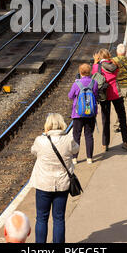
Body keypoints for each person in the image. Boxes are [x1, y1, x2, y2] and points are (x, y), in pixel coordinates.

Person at [29, 113, 79, 243]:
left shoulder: (40, 141)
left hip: (43, 184)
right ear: (62, 124)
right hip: (62, 184)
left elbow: (33, 151)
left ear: (47, 125)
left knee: (41, 218)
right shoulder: (69, 139)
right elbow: (76, 150)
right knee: (58, 218)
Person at [92, 48, 127, 152]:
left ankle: (105, 144)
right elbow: (116, 74)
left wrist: (95, 62)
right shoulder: (114, 65)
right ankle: (126, 142)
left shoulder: (97, 66)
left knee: (105, 119)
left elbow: (94, 77)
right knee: (122, 118)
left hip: (104, 95)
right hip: (116, 93)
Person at [68, 63, 98, 164]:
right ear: (90, 72)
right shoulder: (94, 83)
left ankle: (75, 158)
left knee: (76, 135)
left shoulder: (77, 83)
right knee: (89, 135)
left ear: (80, 72)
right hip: (90, 113)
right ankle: (89, 158)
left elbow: (70, 96)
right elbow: (96, 95)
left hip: (78, 114)